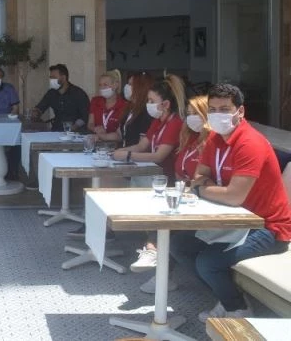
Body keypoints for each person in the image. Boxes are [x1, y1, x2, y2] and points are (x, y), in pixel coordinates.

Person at [173, 83, 291, 322]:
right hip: (233, 220)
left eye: (225, 109)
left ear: (240, 111)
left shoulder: (250, 143)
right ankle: (227, 297)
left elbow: (234, 196)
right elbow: (198, 176)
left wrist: (204, 188)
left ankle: (238, 309)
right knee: (179, 245)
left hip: (268, 227)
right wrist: (213, 188)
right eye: (213, 110)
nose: (218, 115)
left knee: (208, 262)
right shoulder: (214, 139)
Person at [130, 95, 212, 293]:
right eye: (189, 114)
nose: (190, 118)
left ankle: (154, 255)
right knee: (158, 211)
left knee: (171, 230)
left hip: (204, 199)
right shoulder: (189, 139)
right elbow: (180, 172)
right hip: (186, 195)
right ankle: (160, 269)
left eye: (196, 114)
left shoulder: (212, 142)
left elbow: (203, 178)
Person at [112, 75, 185, 181]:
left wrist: (127, 155)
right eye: (148, 100)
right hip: (154, 175)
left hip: (168, 180)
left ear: (166, 104)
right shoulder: (157, 120)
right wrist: (118, 151)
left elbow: (158, 156)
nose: (148, 104)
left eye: (152, 101)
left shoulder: (175, 123)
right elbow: (141, 146)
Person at [32, 64, 90, 132]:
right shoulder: (51, 93)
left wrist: (74, 127)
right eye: (51, 78)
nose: (51, 80)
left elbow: (85, 116)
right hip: (56, 130)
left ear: (63, 78)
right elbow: (40, 107)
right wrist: (36, 112)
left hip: (76, 132)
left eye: (54, 78)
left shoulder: (78, 93)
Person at [87, 70, 128, 143]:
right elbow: (90, 123)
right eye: (100, 85)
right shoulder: (95, 101)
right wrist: (95, 128)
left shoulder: (124, 105)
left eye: (105, 85)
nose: (102, 87)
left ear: (115, 85)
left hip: (115, 145)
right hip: (96, 142)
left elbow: (120, 133)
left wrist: (103, 136)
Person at [119, 72, 155, 147]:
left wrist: (124, 152)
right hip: (125, 151)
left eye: (130, 84)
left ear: (140, 87)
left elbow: (143, 146)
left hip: (134, 153)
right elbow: (120, 133)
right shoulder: (129, 107)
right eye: (127, 84)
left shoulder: (147, 112)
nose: (127, 87)